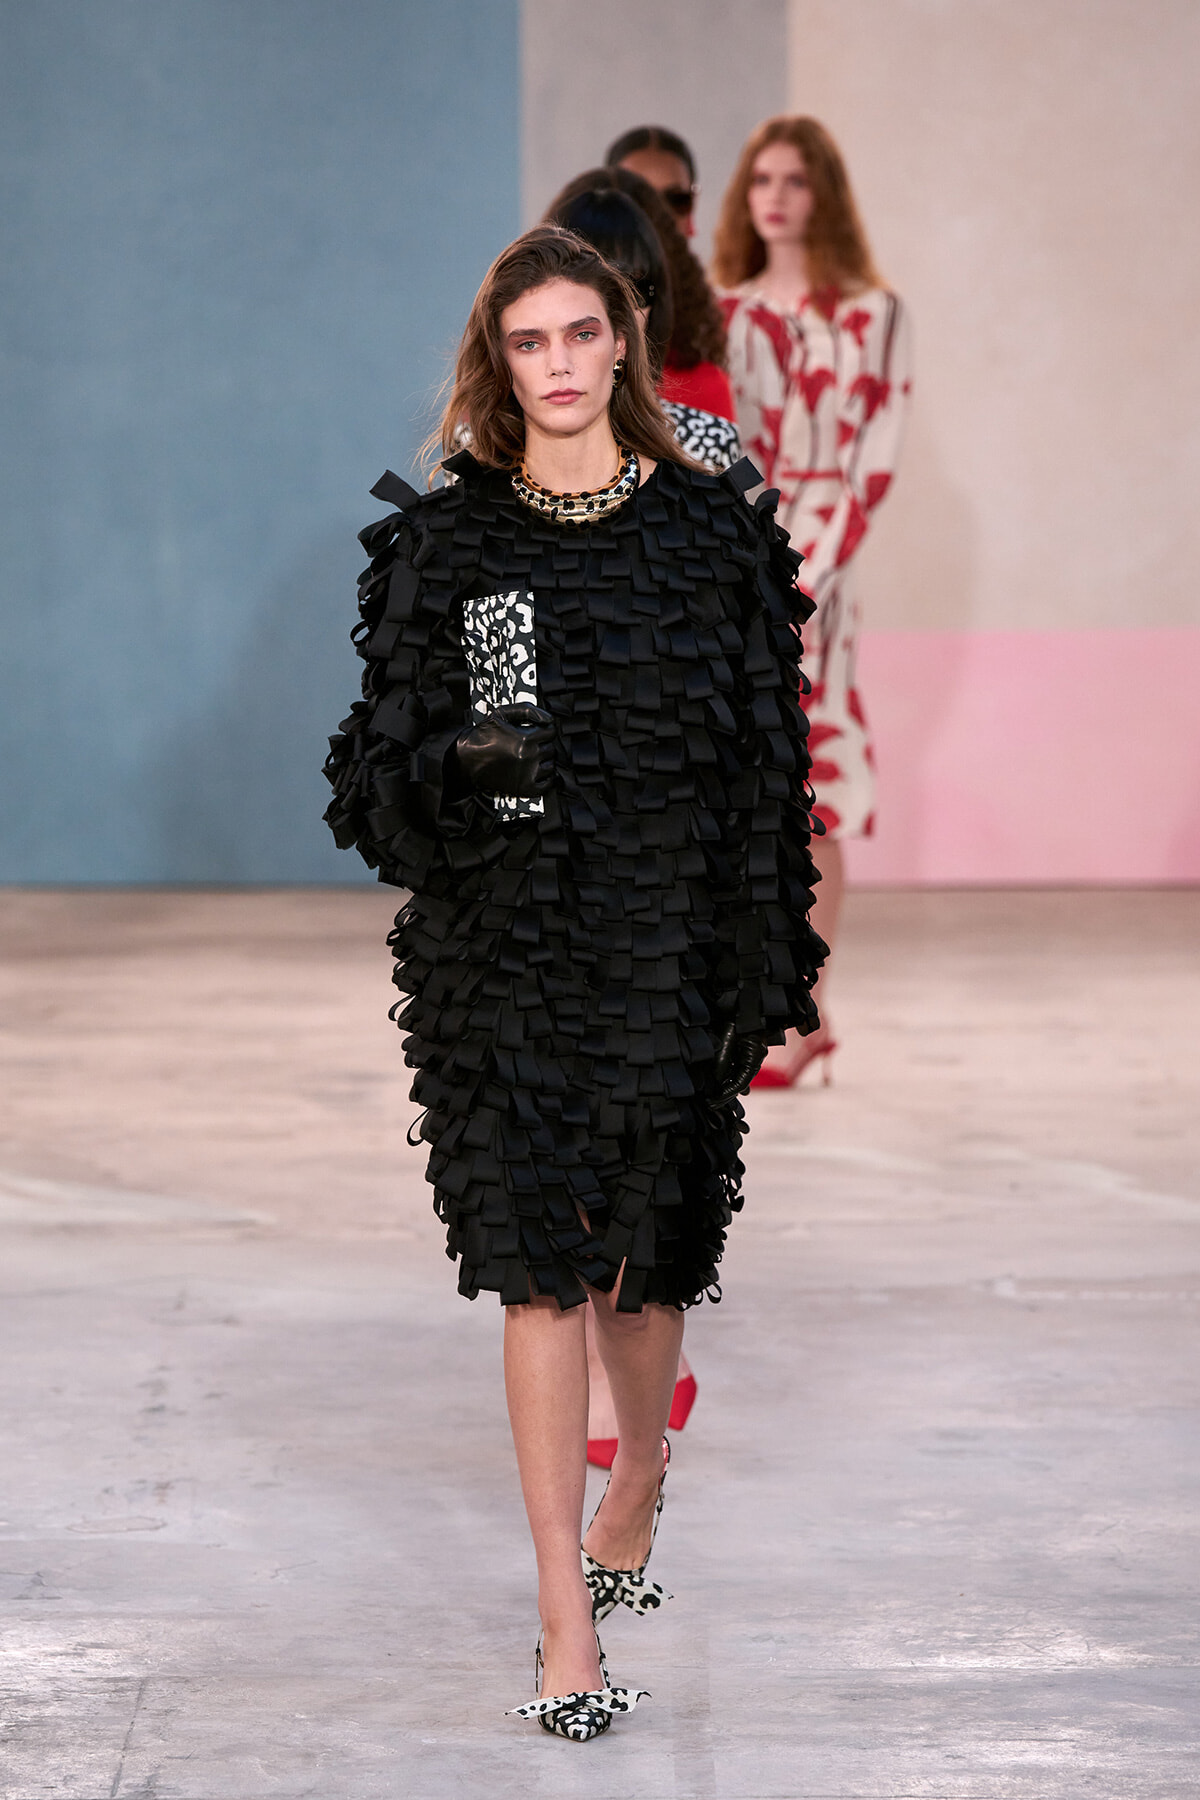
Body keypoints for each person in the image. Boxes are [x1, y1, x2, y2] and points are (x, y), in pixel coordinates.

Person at [323, 225, 825, 1740]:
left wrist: (766, 964)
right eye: (528, 341)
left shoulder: (714, 535)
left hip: (669, 948)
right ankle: (564, 1623)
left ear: (624, 341)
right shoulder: (446, 544)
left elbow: (768, 773)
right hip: (507, 953)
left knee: (646, 1270)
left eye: (581, 334)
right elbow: (369, 788)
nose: (557, 364)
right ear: (499, 359)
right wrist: (460, 763)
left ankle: (642, 1472)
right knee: (540, 1268)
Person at [714, 117, 911, 1086]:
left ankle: (807, 1008)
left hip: (825, 581)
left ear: (824, 191)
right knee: (742, 786)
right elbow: (718, 444)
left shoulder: (877, 313)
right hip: (738, 566)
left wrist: (810, 573)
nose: (777, 197)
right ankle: (759, 1000)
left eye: (795, 180)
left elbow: (878, 453)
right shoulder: (726, 311)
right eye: (762, 180)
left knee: (815, 787)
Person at [545, 172, 740, 475]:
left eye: (635, 288)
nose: (615, 312)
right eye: (590, 291)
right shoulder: (487, 448)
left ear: (657, 298)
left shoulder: (710, 443)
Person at [606, 130, 737, 421]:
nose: (659, 215)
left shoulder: (712, 374)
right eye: (638, 198)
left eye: (676, 199)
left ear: (691, 211)